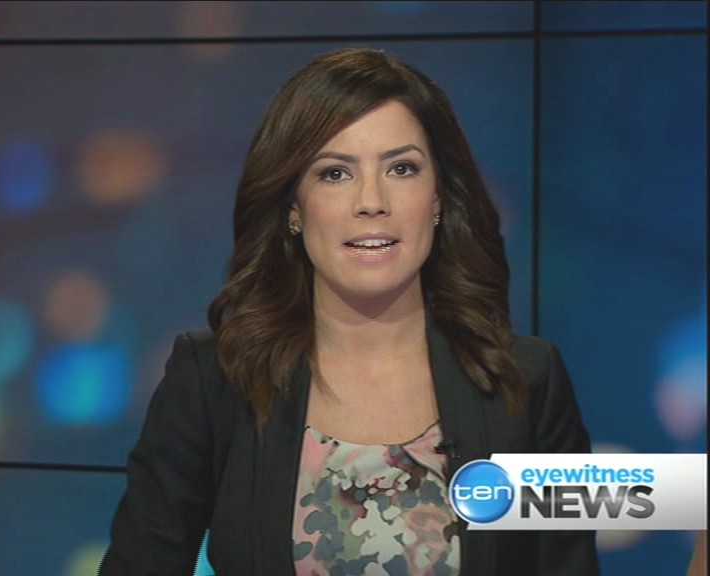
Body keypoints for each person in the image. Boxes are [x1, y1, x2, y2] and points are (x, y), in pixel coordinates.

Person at [99, 47, 599, 575]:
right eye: (335, 173)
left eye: (402, 168)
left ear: (437, 199)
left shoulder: (526, 380)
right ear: (293, 207)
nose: (371, 201)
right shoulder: (215, 379)